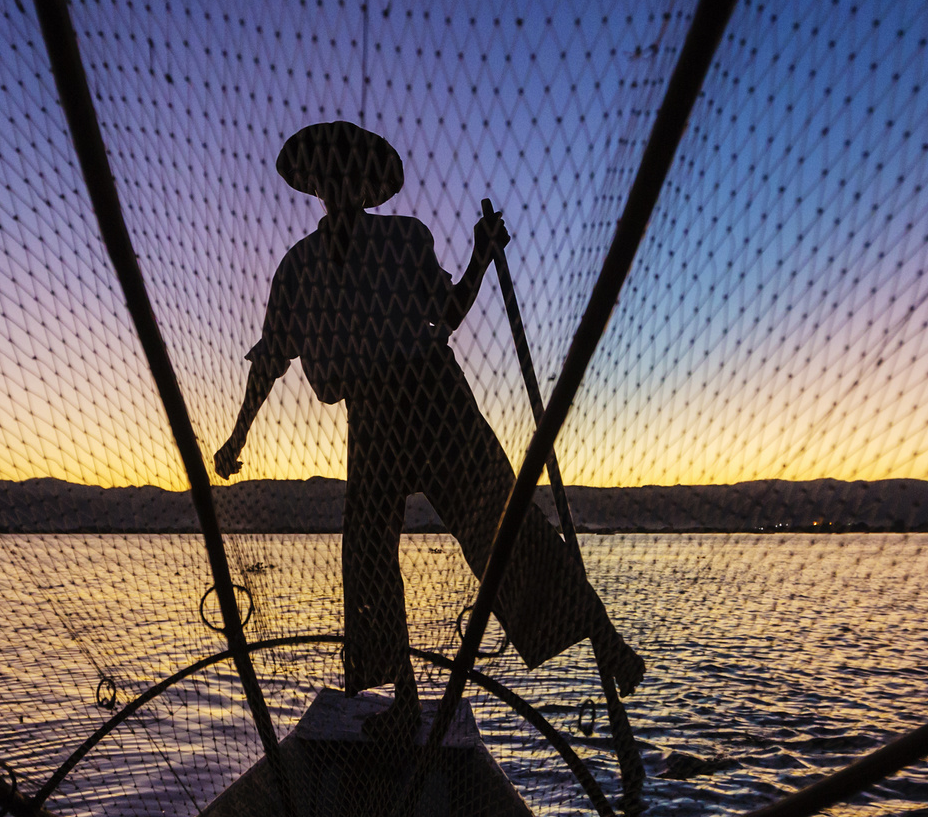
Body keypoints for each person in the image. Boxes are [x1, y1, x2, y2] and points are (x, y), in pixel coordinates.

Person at [213, 121, 644, 745]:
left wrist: (479, 253)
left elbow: (446, 313)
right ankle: (407, 702)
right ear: (317, 186)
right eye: (330, 177)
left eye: (350, 176)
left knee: (503, 522)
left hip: (434, 395)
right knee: (367, 555)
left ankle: (606, 642)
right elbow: (272, 357)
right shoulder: (298, 267)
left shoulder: (404, 239)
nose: (341, 187)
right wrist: (238, 437)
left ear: (364, 185)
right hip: (376, 413)